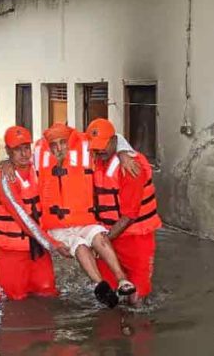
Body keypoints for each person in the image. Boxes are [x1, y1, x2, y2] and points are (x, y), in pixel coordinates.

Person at [36, 123, 136, 308]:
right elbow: (18, 160)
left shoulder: (85, 145)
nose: (59, 149)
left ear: (70, 141)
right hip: (57, 226)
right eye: (54, 145)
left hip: (84, 219)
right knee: (79, 246)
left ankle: (123, 280)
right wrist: (6, 164)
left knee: (100, 236)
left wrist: (123, 153)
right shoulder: (36, 152)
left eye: (63, 143)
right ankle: (100, 286)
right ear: (48, 146)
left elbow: (114, 138)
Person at [0, 126, 69, 302]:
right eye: (17, 149)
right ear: (8, 151)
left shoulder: (38, 169)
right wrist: (53, 244)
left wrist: (123, 150)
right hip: (12, 251)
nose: (24, 154)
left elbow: (74, 145)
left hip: (38, 249)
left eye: (26, 148)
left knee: (48, 292)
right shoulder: (3, 179)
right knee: (15, 300)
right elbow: (23, 218)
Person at [87, 119, 162, 306]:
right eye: (95, 148)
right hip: (108, 236)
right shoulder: (95, 157)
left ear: (114, 141)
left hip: (137, 238)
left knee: (136, 300)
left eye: (103, 146)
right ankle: (110, 332)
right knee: (107, 297)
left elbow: (129, 215)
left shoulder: (132, 167)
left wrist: (102, 242)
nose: (99, 151)